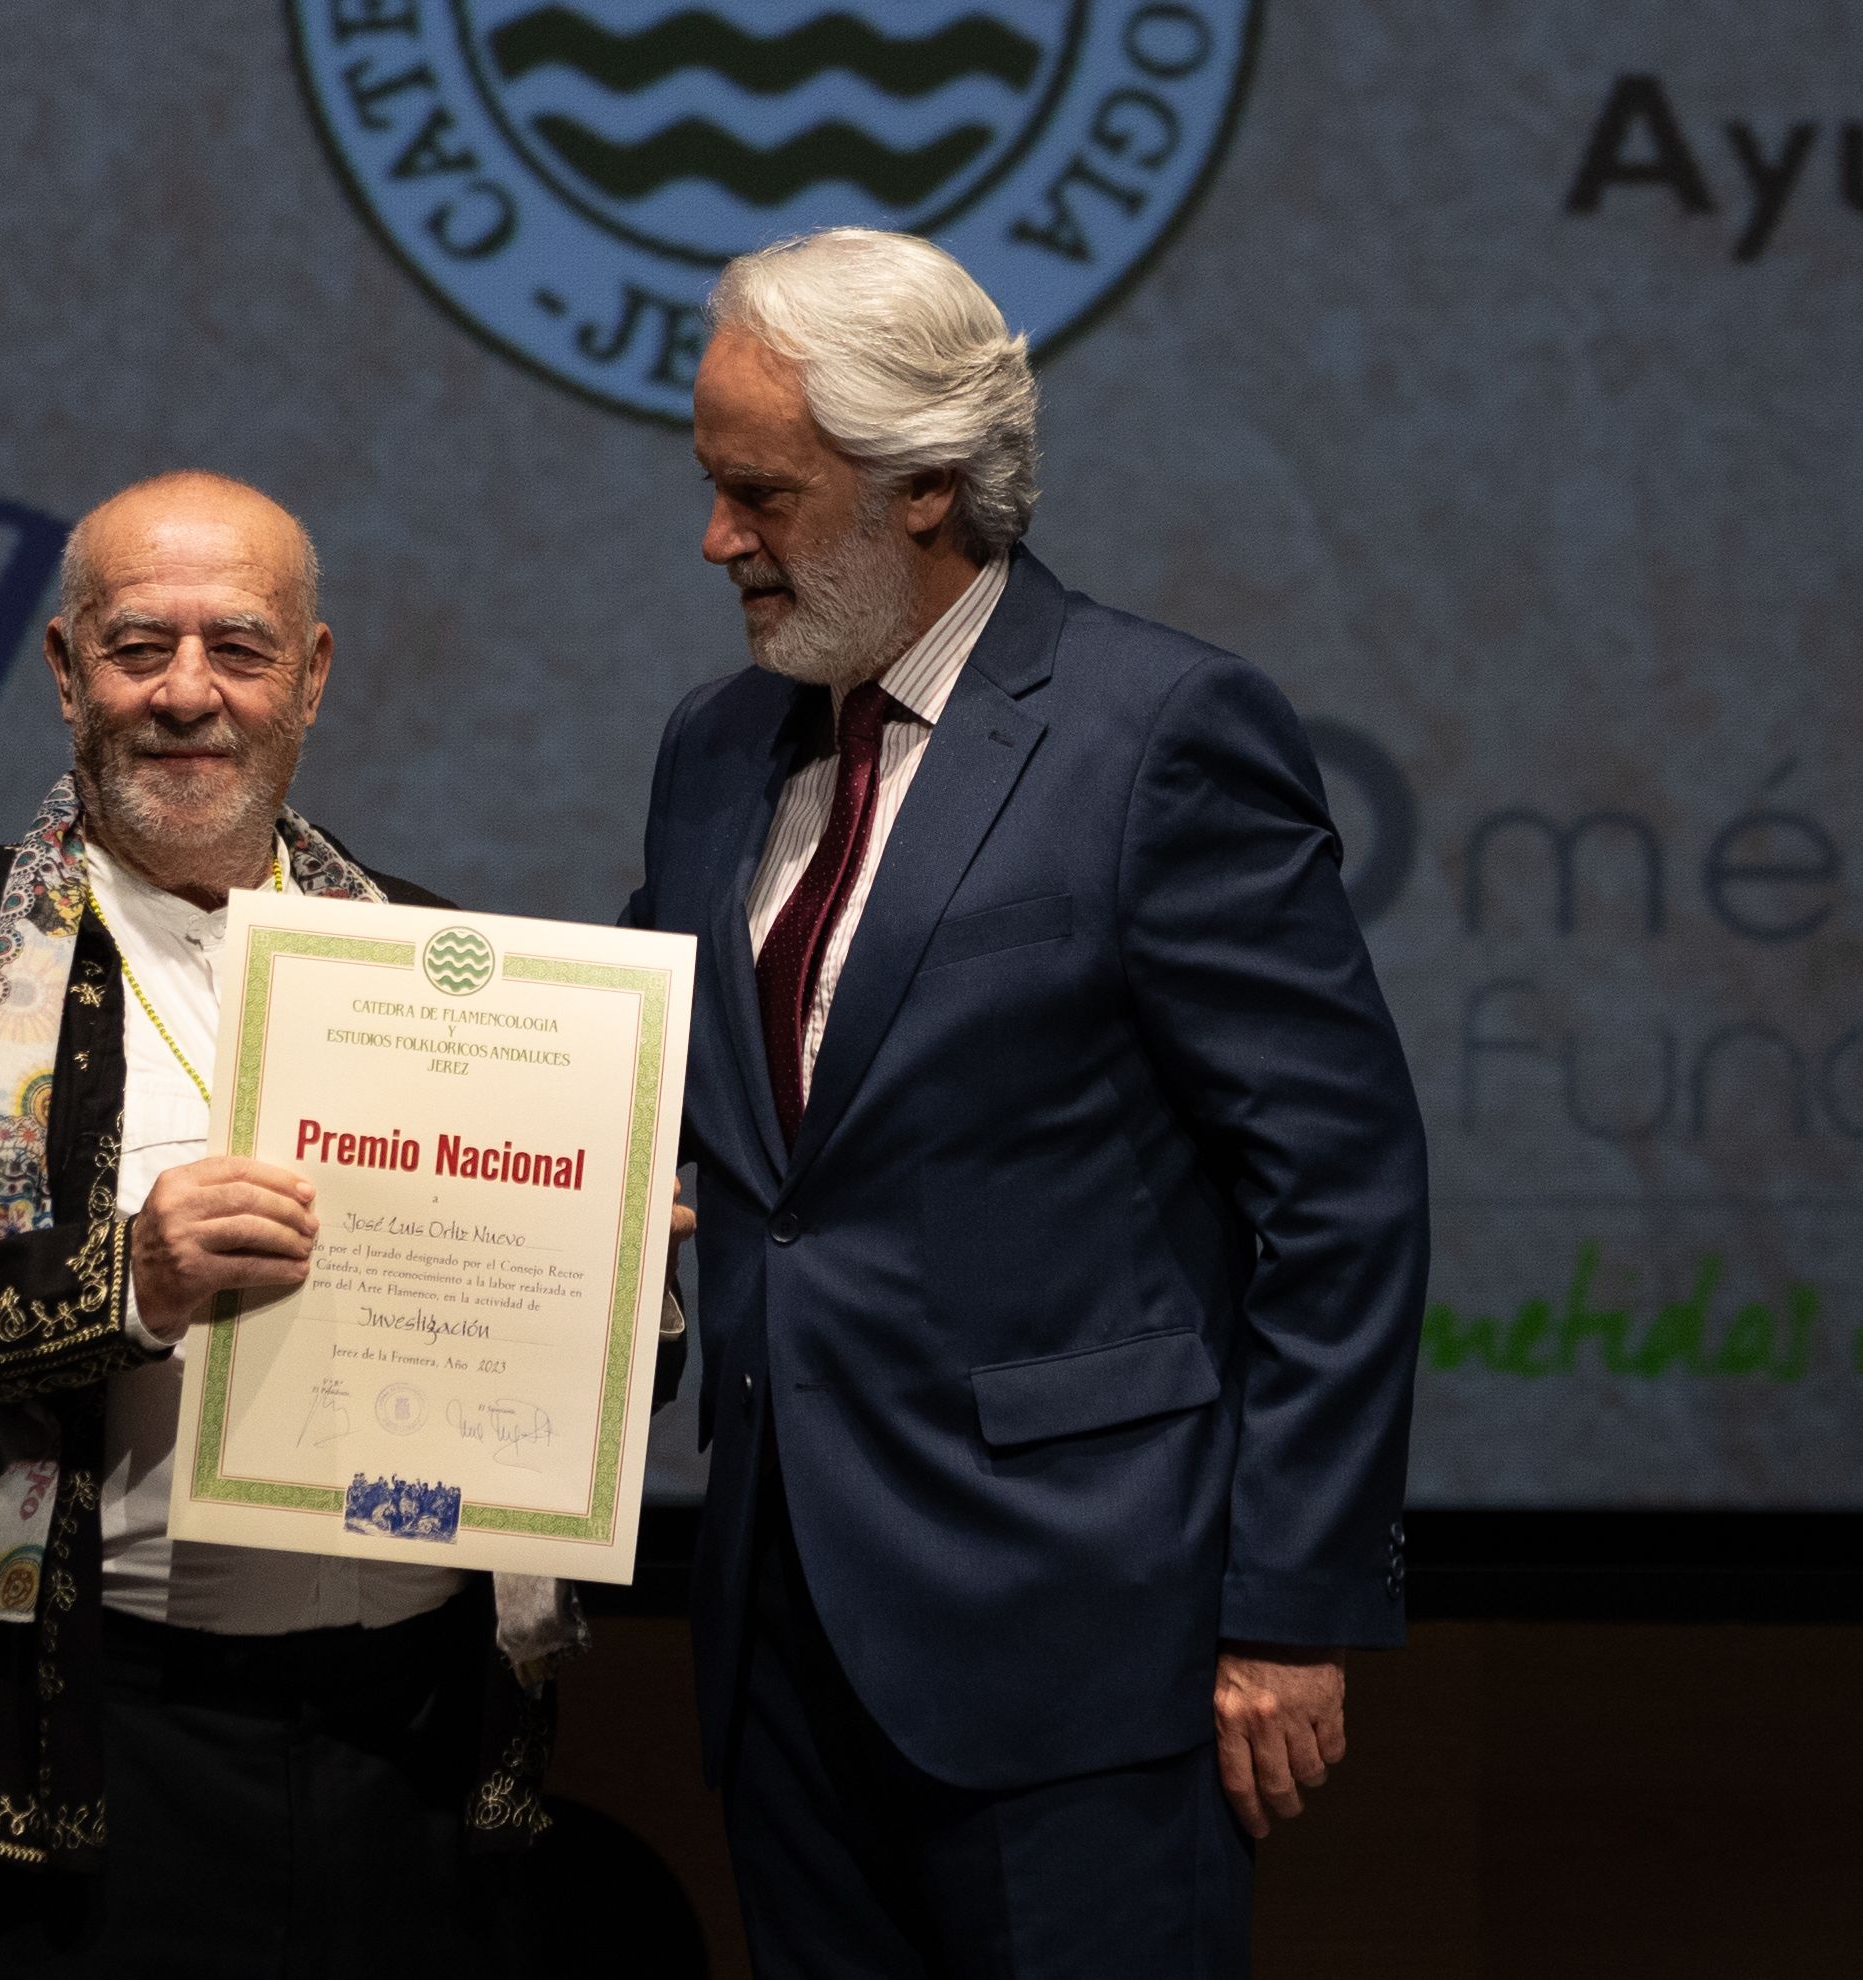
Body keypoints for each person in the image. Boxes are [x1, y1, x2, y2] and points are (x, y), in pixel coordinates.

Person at [624, 228, 1429, 1974]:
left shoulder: (1160, 734)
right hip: (779, 1631)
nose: (715, 540)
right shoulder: (715, 747)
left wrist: (1288, 1609)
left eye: (758, 492)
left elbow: (1342, 1191)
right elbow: (623, 1076)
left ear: (923, 487)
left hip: (1081, 1641)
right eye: (712, 487)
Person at [0, 472, 569, 1976]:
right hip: (98, 1743)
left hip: (414, 1745)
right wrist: (122, 1281)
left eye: (239, 648)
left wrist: (605, 1275)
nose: (187, 694)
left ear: (310, 678)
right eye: (141, 646)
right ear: (68, 670)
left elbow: (566, 1383)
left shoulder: (449, 966)